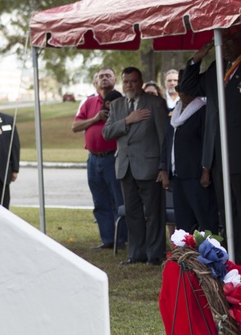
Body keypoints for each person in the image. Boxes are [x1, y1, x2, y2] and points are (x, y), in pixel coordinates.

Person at [179, 26, 241, 280]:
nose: (226, 47)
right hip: (222, 158)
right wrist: (196, 59)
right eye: (222, 42)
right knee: (229, 214)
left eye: (229, 41)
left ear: (240, 42)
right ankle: (235, 262)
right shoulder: (216, 69)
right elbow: (188, 86)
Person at [103, 67, 169, 266]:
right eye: (126, 82)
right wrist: (127, 121)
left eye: (132, 81)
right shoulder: (116, 106)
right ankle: (136, 253)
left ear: (140, 82)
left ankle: (154, 254)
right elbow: (107, 133)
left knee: (153, 213)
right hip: (125, 167)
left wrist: (163, 167)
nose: (129, 85)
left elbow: (163, 138)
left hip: (149, 167)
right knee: (132, 212)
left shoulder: (155, 104)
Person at [72, 67, 127, 250]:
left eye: (108, 75)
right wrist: (95, 118)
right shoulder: (89, 103)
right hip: (93, 159)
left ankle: (121, 239)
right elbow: (75, 126)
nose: (104, 78)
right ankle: (107, 240)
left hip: (113, 158)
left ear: (115, 80)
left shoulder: (120, 101)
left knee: (117, 199)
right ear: (96, 82)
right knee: (100, 201)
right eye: (101, 76)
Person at [159, 89, 217, 233]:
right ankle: (187, 254)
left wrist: (206, 169)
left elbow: (207, 142)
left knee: (205, 221)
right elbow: (167, 142)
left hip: (196, 175)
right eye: (180, 89)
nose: (181, 92)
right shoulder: (174, 112)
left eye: (185, 89)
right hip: (177, 175)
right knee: (183, 224)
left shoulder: (202, 111)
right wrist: (164, 169)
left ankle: (208, 254)